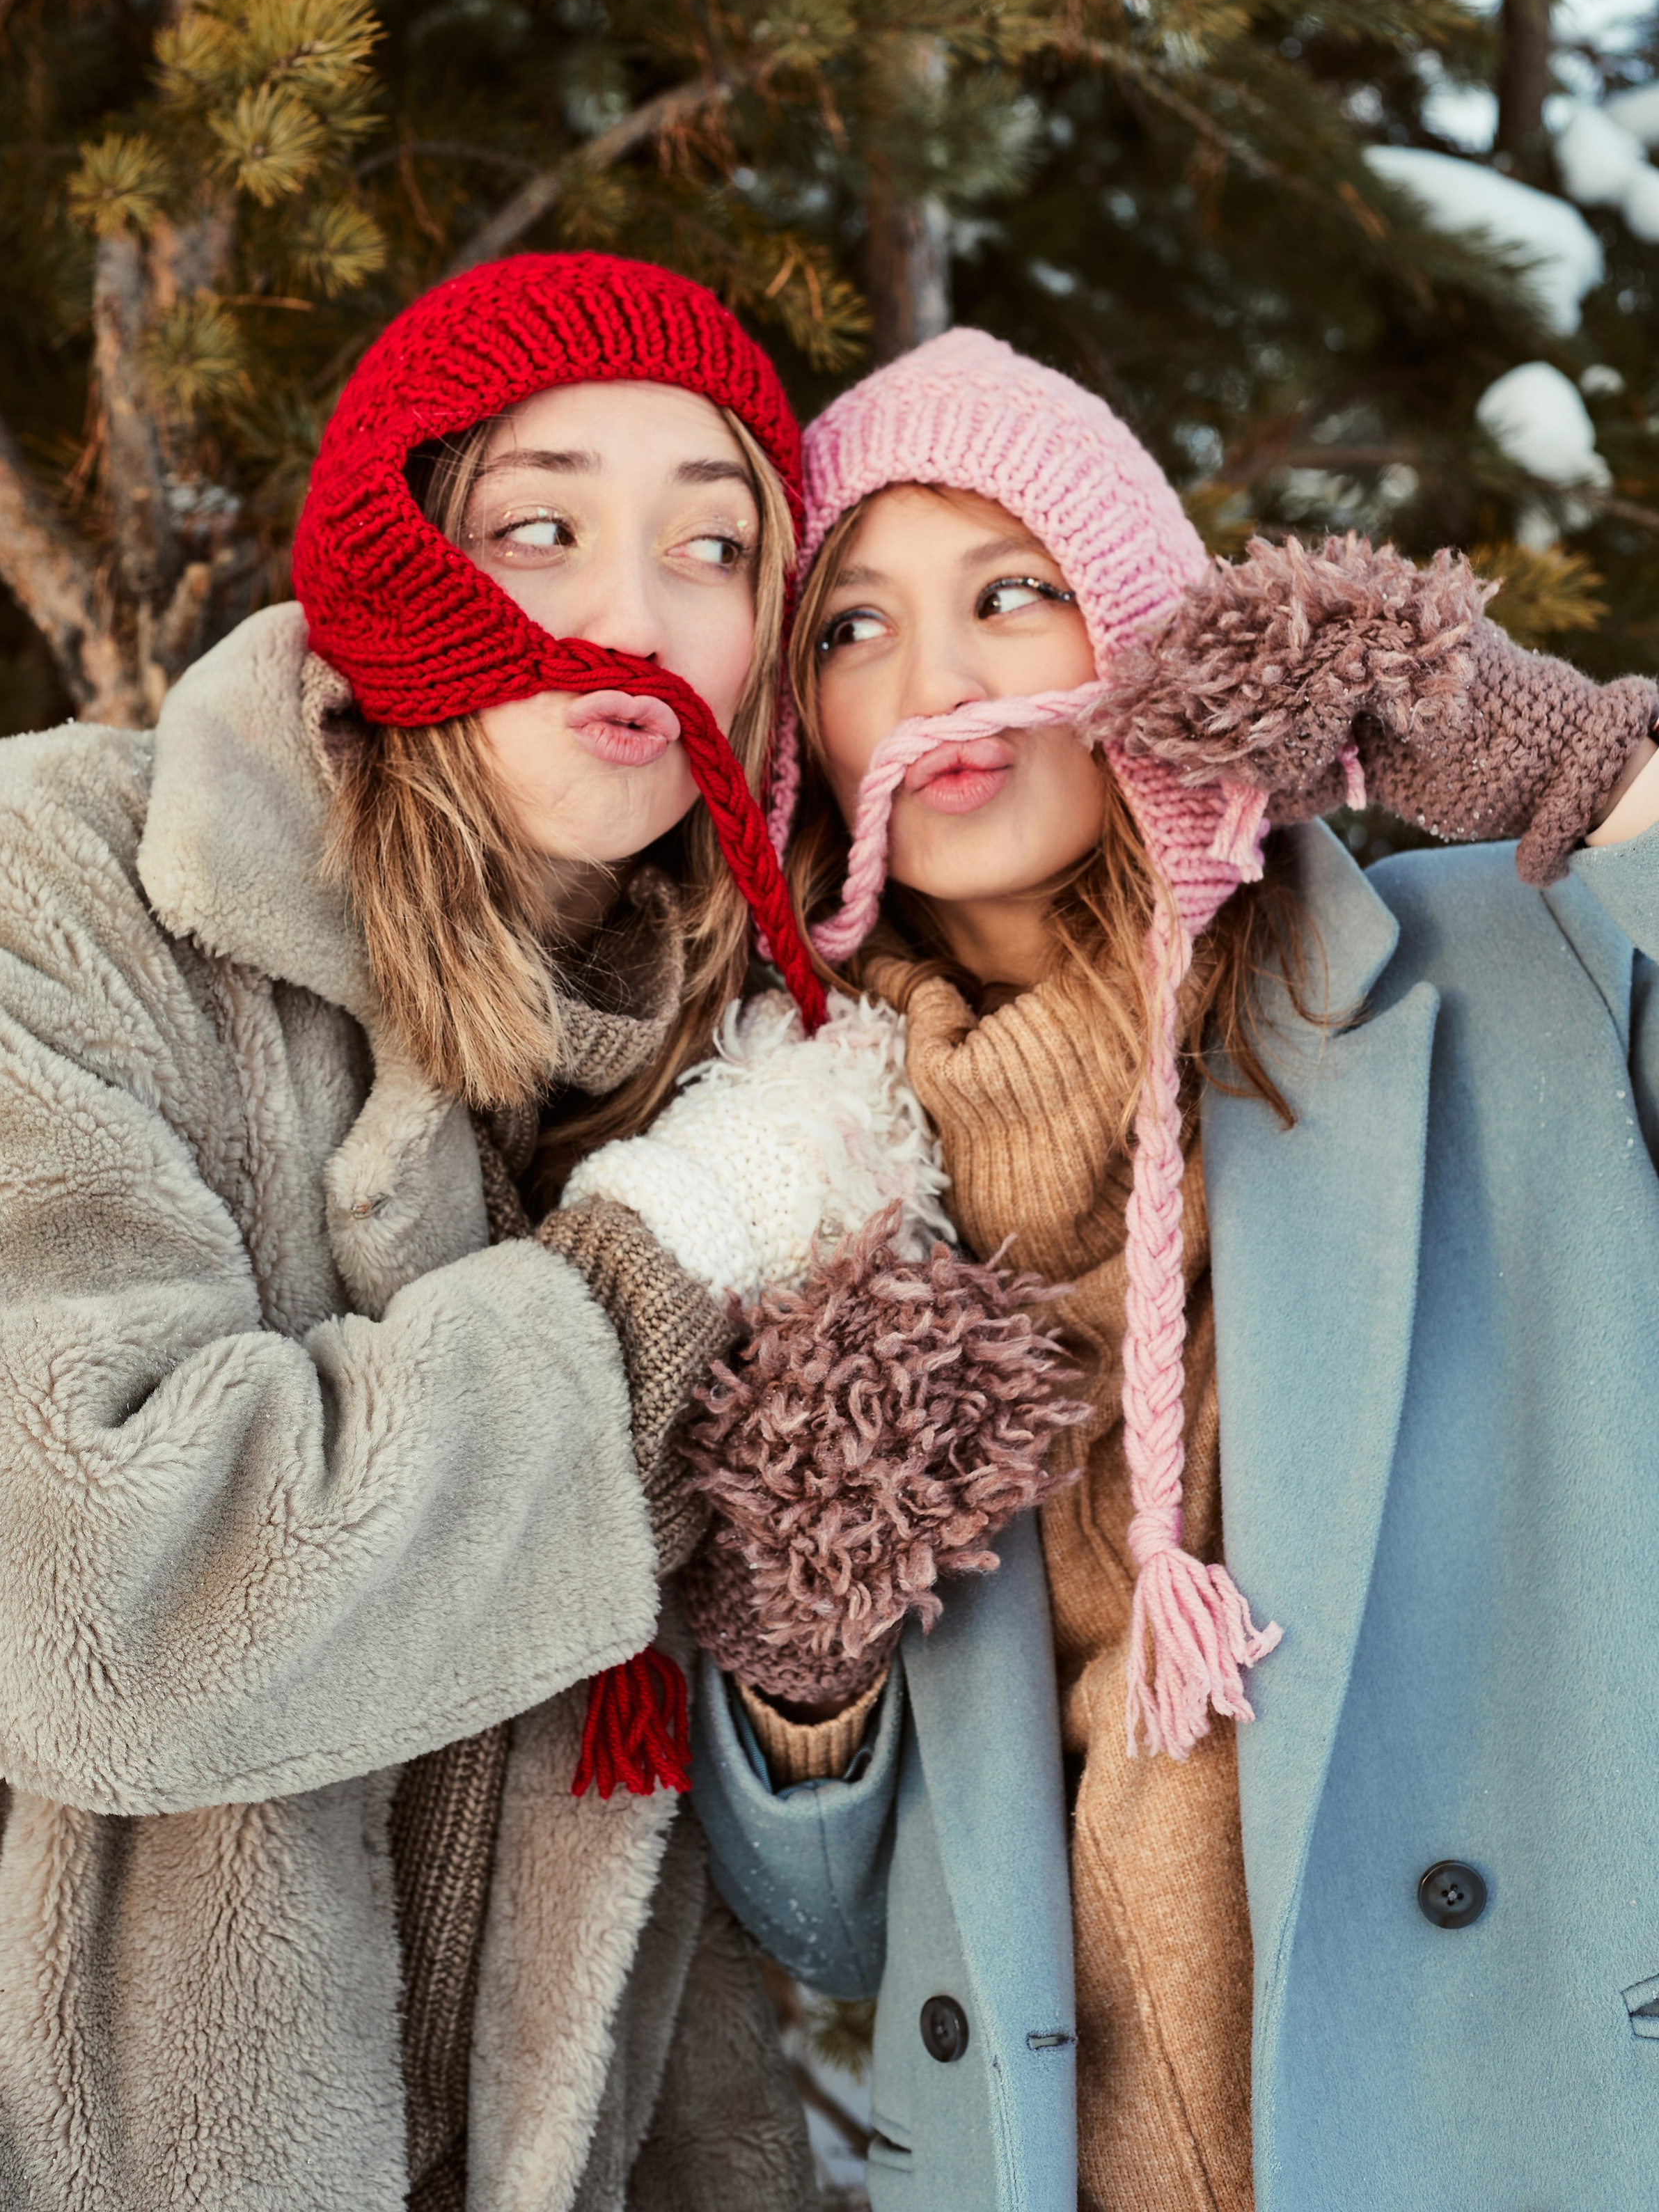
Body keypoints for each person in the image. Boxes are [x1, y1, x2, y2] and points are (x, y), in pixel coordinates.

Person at [0, 251, 924, 2212]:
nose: (634, 619)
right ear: (400, 560)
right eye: (542, 530)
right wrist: (656, 1274)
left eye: (714, 550)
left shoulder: (736, 1062)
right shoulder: (47, 887)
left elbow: (680, 1900)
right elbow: (110, 1601)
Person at [677, 326, 1659, 2212]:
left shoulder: (1507, 975)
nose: (940, 681)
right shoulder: (811, 1206)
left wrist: (1581, 769)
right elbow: (830, 1928)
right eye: (855, 628)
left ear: (1144, 634)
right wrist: (808, 1645)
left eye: (1011, 594)